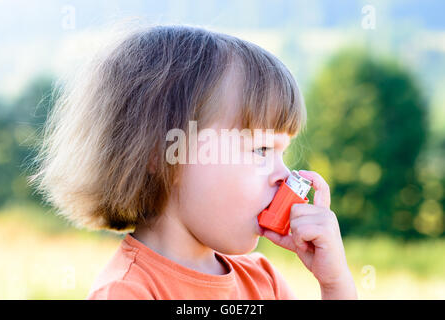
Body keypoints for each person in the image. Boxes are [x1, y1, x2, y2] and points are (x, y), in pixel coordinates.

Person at [27, 24, 357, 300]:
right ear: (164, 152)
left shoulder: (264, 284)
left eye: (282, 153)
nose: (284, 176)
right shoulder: (128, 292)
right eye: (261, 150)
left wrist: (334, 284)